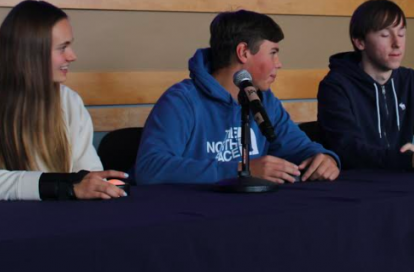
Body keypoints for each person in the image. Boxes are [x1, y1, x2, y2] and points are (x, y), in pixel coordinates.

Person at [0, 0, 126, 200]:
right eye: (62, 48)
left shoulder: (69, 101)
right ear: (31, 54)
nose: (72, 56)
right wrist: (59, 187)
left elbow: (89, 177)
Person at [135, 10, 340, 185]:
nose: (279, 64)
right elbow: (150, 168)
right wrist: (241, 170)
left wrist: (324, 159)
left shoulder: (265, 100)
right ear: (243, 52)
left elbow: (299, 147)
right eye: (273, 53)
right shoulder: (181, 101)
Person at [317, 0, 414, 173]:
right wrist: (412, 160)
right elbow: (349, 151)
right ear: (360, 42)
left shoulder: (412, 81)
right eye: (385, 35)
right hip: (355, 187)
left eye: (401, 34)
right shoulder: (335, 86)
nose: (397, 43)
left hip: (404, 184)